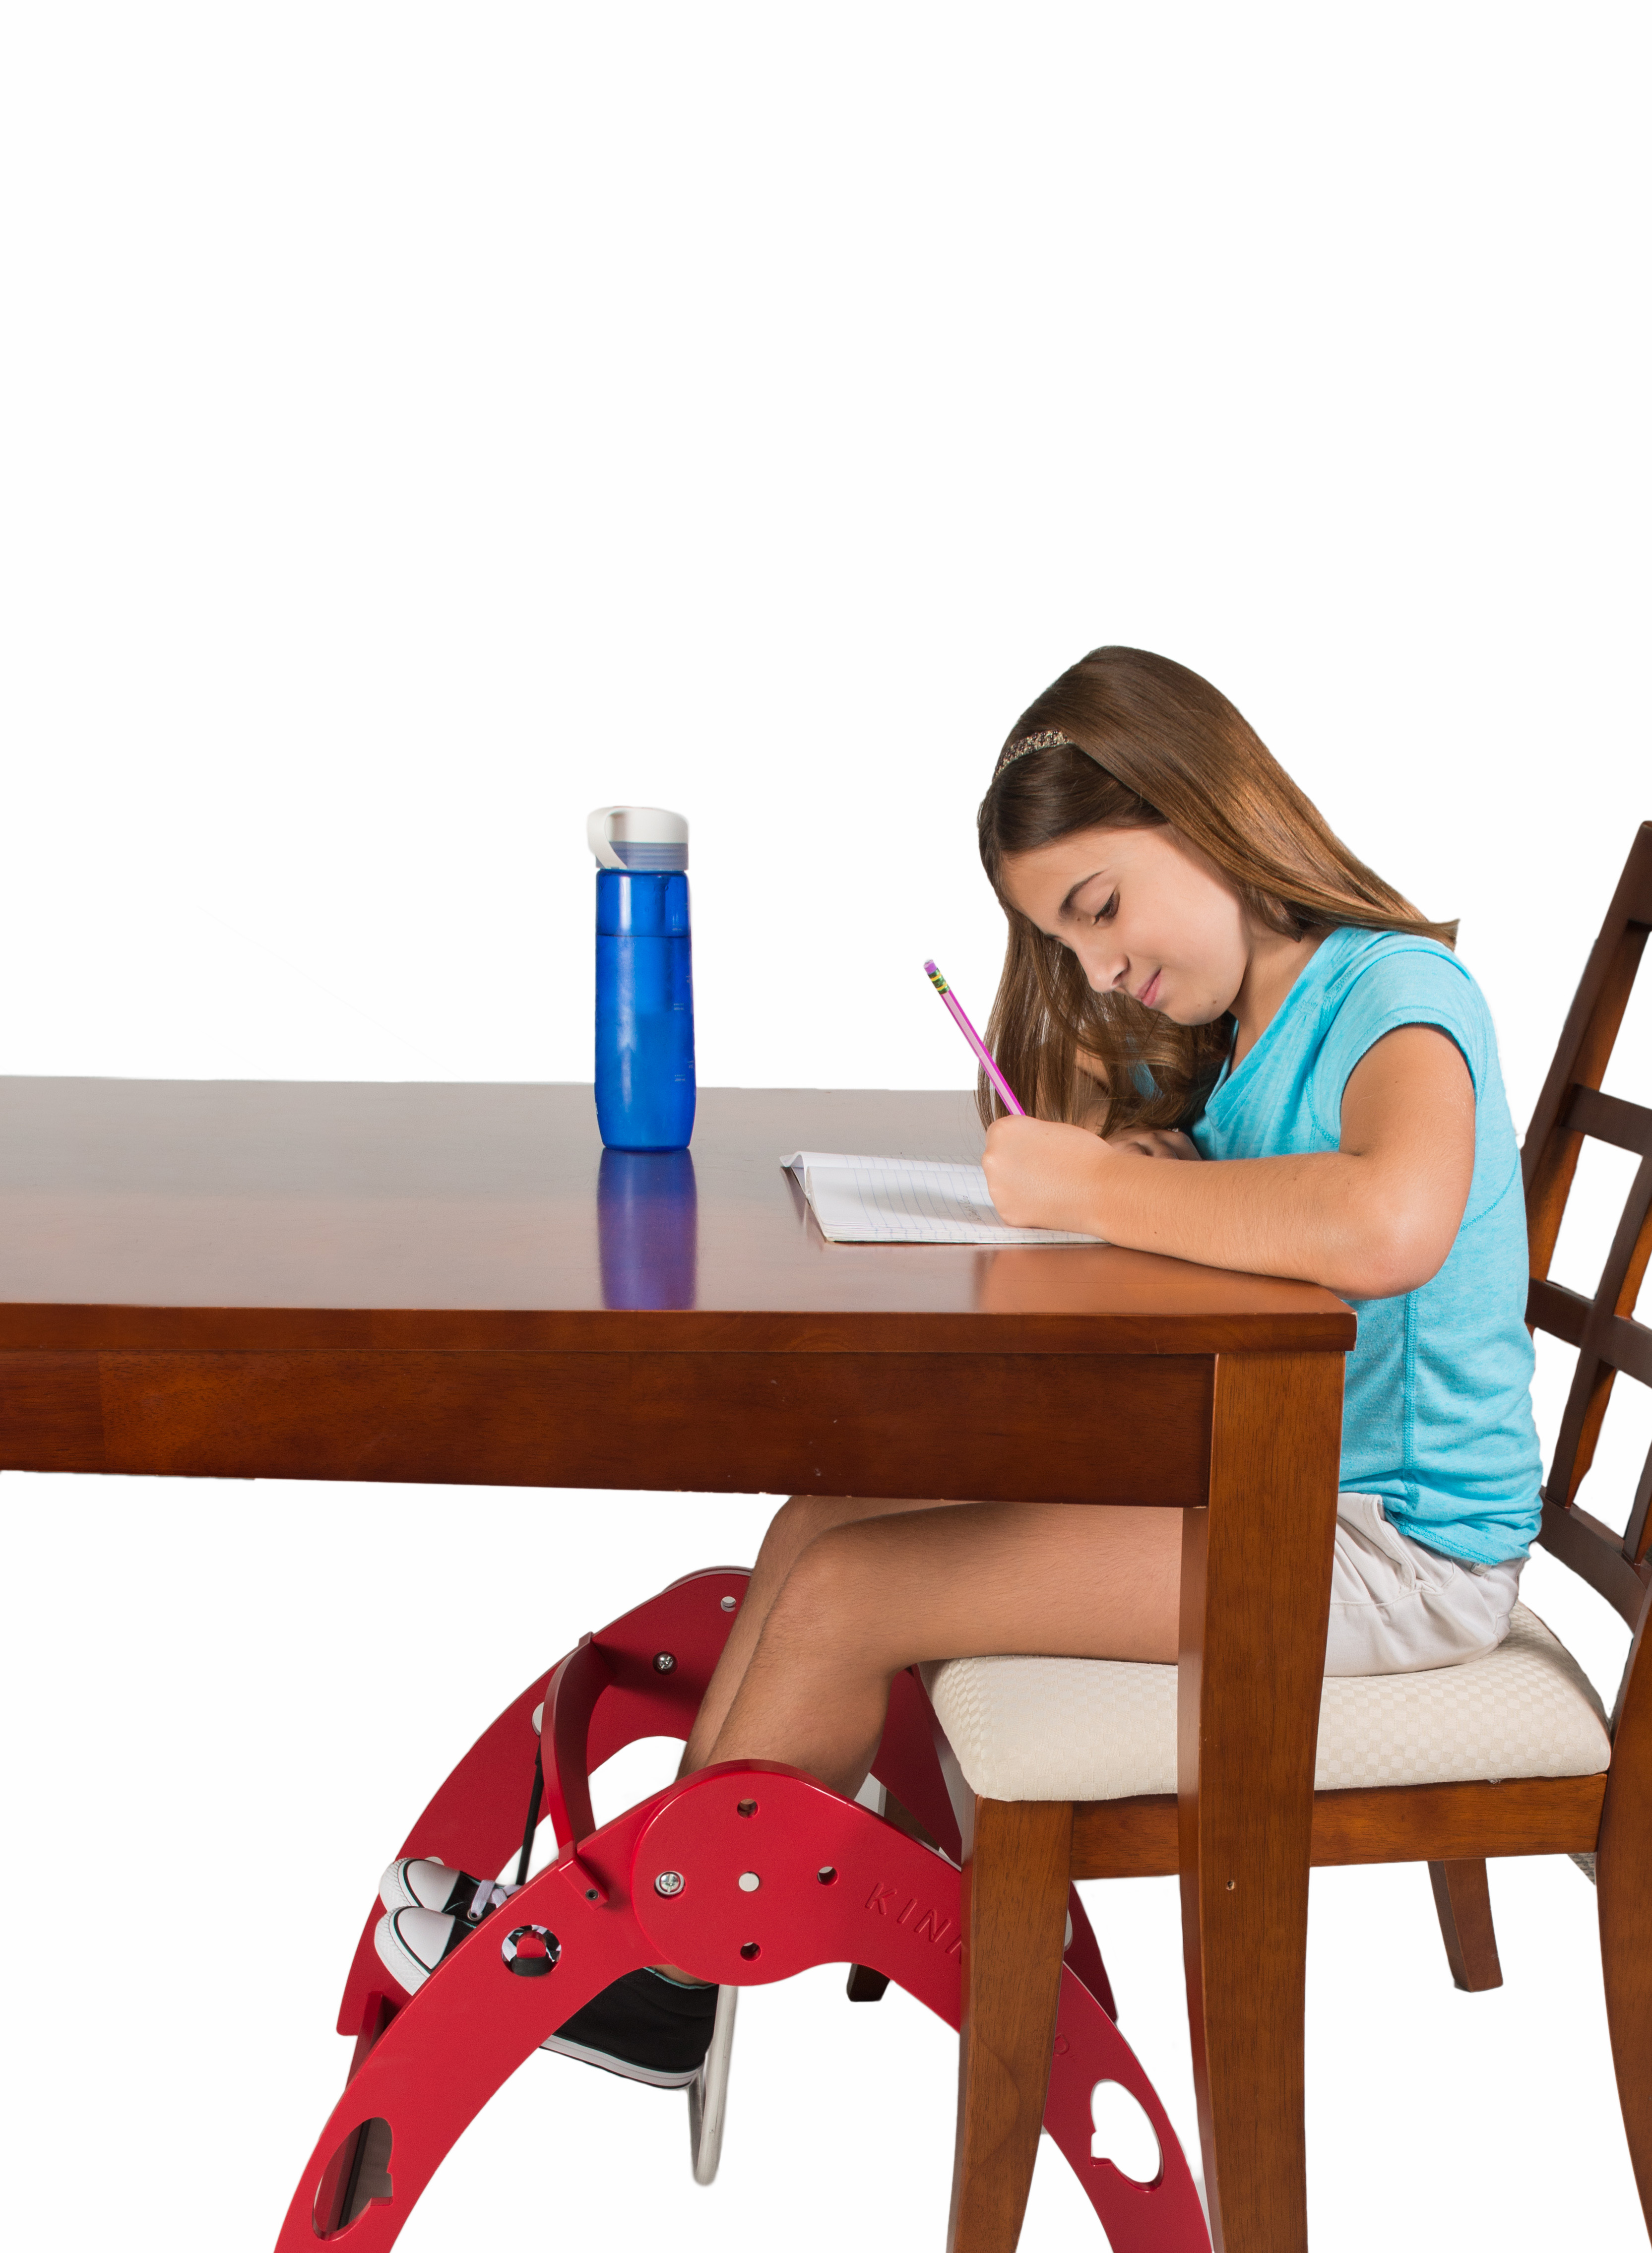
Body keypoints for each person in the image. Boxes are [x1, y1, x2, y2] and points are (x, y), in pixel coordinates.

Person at [377, 644, 1544, 2082]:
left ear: (1209, 808)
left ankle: (659, 1972)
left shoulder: (1399, 990)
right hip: (1280, 1496)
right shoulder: (1254, 1035)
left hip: (1393, 1551)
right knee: (823, 1521)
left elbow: (1387, 1222)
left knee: (858, 1592)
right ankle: (653, 1936)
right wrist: (1160, 1168)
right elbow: (1279, 1218)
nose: (1099, 967)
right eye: (1065, 941)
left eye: (1099, 908)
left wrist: (1104, 1192)